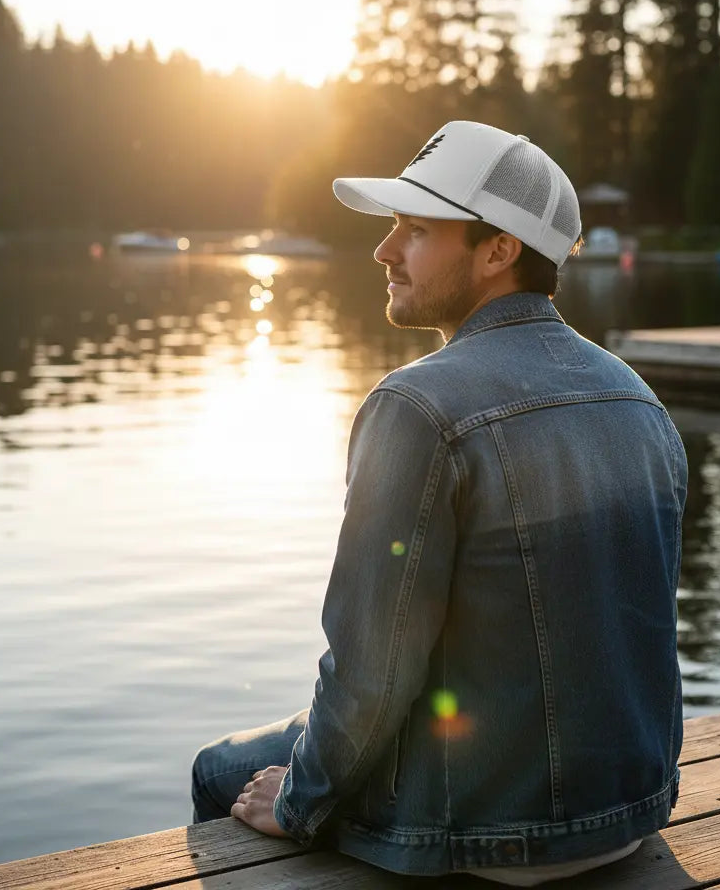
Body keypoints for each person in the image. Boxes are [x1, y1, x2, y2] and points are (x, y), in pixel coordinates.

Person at [190, 121, 687, 885]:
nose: (385, 252)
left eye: (415, 231)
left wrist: (297, 804)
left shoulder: (418, 407)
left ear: (499, 251)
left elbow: (371, 672)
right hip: (627, 814)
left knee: (218, 770)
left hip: (482, 830)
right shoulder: (639, 399)